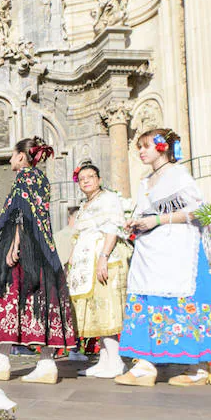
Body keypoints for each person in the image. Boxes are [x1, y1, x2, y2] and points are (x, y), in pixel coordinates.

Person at [115, 128, 211, 387]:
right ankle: (144, 365)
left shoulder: (178, 175)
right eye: (139, 148)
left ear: (161, 147)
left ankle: (198, 367)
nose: (141, 152)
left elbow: (199, 211)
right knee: (145, 298)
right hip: (151, 252)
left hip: (178, 248)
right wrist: (137, 223)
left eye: (145, 146)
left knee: (185, 299)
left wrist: (157, 219)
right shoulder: (146, 181)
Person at [0, 137, 75, 385]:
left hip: (25, 248)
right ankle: (46, 363)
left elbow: (22, 213)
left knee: (7, 296)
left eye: (13, 154)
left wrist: (14, 245)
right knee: (41, 298)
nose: (10, 159)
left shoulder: (24, 177)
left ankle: (2, 361)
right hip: (44, 247)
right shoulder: (42, 179)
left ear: (22, 156)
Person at [67, 161, 131, 378]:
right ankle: (105, 359)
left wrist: (103, 257)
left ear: (99, 179)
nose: (85, 181)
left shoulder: (109, 198)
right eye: (82, 178)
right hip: (87, 263)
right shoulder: (84, 205)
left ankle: (116, 360)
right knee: (95, 310)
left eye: (90, 177)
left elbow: (112, 227)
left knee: (107, 307)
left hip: (104, 258)